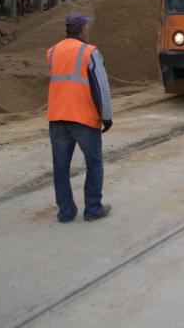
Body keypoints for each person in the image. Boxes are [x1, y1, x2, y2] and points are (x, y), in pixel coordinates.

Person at [46, 12, 113, 223]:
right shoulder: (90, 52)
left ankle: (65, 212)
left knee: (61, 167)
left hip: (57, 118)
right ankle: (93, 208)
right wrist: (107, 117)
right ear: (82, 29)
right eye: (86, 27)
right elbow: (101, 87)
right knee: (94, 163)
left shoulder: (53, 51)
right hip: (83, 119)